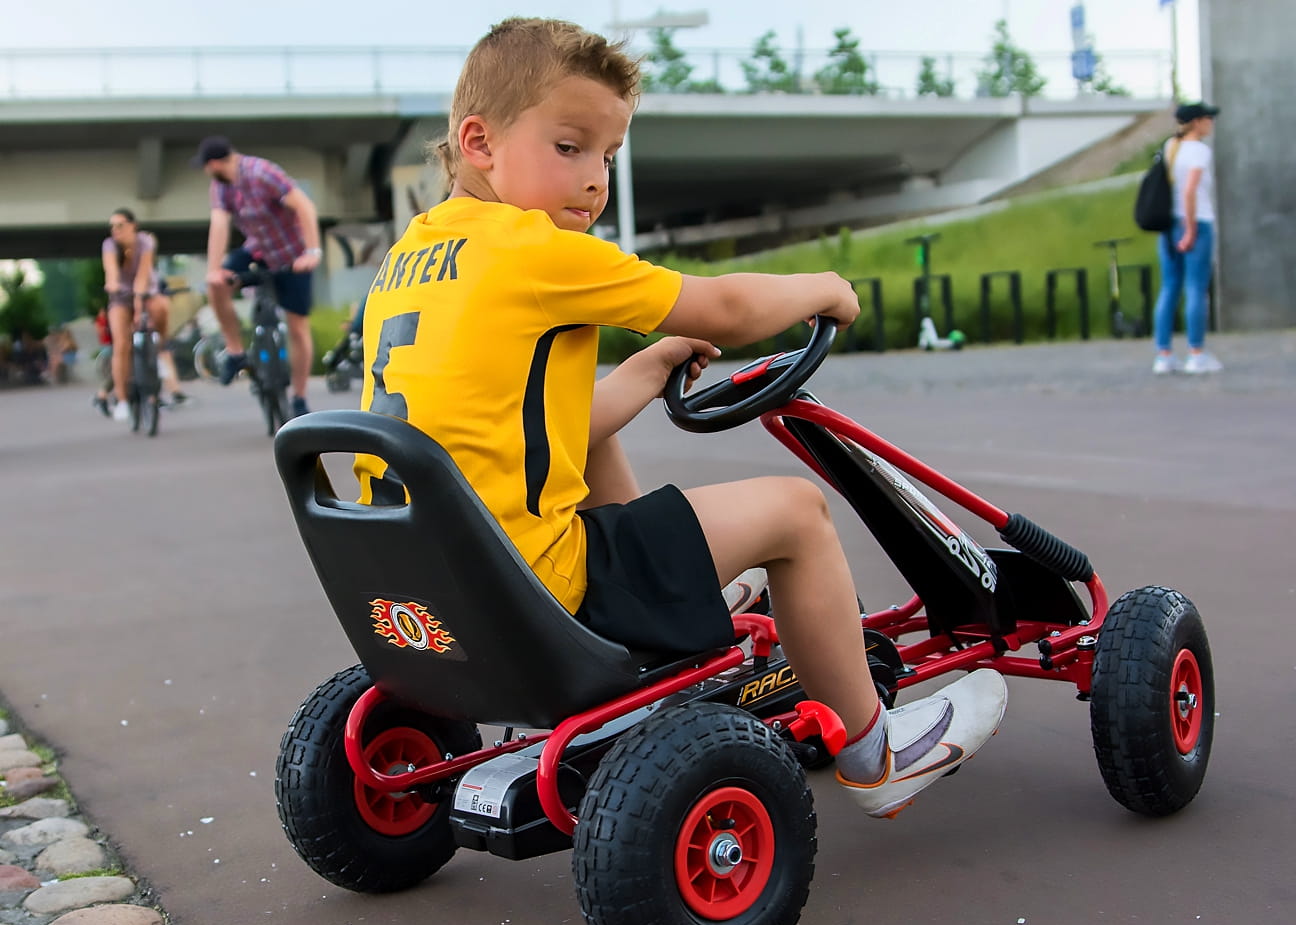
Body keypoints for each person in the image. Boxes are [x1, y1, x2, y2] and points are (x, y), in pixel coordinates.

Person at [357, 17, 1007, 819]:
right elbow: (727, 309)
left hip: (430, 590)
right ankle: (879, 752)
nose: (594, 181)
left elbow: (523, 432)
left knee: (592, 439)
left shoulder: (410, 257)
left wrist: (644, 369)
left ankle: (675, 604)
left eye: (607, 156)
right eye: (569, 147)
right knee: (797, 513)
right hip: (537, 587)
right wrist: (824, 288)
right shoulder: (533, 249)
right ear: (480, 142)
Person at [193, 135, 321, 417]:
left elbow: (305, 207)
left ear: (214, 164)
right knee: (216, 285)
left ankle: (299, 396)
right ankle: (236, 351)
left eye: (205, 167)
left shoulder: (262, 173)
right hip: (258, 251)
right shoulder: (221, 186)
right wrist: (214, 269)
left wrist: (312, 251)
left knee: (298, 327)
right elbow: (219, 225)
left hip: (293, 253)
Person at [1152, 102, 1221, 375]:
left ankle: (1164, 355)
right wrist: (1191, 229)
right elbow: (1190, 191)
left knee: (1169, 287)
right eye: (1208, 118)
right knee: (1195, 288)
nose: (1211, 123)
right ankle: (1196, 354)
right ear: (1197, 122)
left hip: (1169, 225)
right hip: (1196, 223)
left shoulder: (1171, 146)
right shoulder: (1199, 151)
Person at [100, 208, 186, 419]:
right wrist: (113, 284)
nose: (115, 230)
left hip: (146, 292)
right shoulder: (109, 245)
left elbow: (143, 274)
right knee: (121, 344)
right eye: (112, 226)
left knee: (161, 307)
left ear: (133, 226)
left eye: (120, 225)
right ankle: (122, 400)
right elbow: (111, 272)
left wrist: (139, 303)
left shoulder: (146, 242)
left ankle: (159, 348)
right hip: (120, 297)